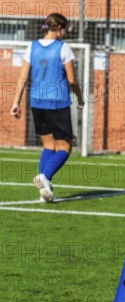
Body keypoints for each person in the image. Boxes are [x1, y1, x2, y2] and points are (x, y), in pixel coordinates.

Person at [10, 13, 85, 203]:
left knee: (48, 145)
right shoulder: (63, 48)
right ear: (59, 28)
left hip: (37, 102)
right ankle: (46, 177)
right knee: (66, 146)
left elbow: (23, 78)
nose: (65, 33)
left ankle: (46, 189)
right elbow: (72, 80)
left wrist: (16, 102)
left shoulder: (31, 47)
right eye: (65, 29)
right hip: (57, 102)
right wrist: (80, 97)